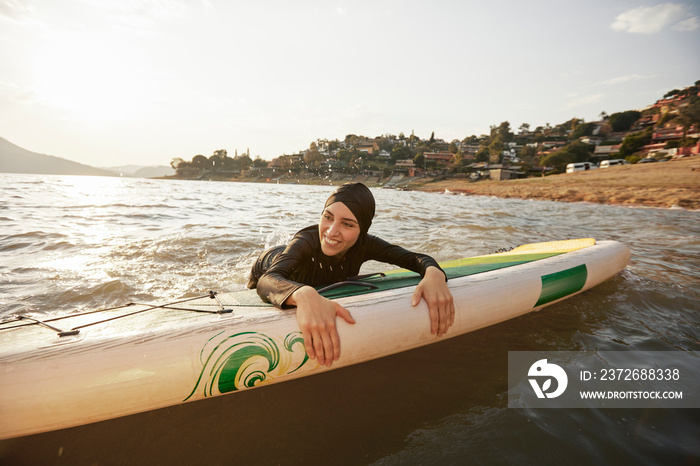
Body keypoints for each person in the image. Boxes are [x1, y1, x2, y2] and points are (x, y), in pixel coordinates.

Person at [248, 182, 454, 367]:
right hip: (271, 263)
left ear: (362, 230)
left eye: (347, 224)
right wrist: (304, 295)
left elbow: (414, 259)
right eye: (328, 217)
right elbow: (267, 280)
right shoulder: (306, 241)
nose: (331, 232)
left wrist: (434, 273)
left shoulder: (365, 244)